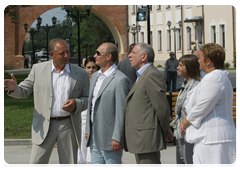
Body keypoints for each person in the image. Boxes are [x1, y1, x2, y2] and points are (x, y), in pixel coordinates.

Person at [4, 38, 89, 167]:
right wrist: (15, 89)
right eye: (62, 53)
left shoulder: (81, 73)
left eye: (67, 52)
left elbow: (88, 98)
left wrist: (76, 103)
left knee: (69, 165)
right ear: (51, 55)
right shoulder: (38, 69)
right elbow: (24, 91)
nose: (66, 56)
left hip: (68, 125)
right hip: (44, 125)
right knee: (35, 164)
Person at [180, 43, 238, 167]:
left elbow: (202, 106)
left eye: (200, 58)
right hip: (211, 138)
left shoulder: (214, 78)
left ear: (208, 61)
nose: (198, 61)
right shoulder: (215, 77)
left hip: (213, 139)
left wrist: (186, 121)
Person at [124, 43, 170, 167]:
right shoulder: (142, 74)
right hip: (142, 138)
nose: (129, 55)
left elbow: (161, 107)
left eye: (133, 52)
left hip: (147, 138)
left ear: (144, 56)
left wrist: (166, 130)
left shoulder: (151, 75)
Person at [85, 42, 131, 167]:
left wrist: (117, 137)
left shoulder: (120, 79)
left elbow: (121, 111)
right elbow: (91, 105)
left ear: (109, 56)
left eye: (98, 53)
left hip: (110, 137)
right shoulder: (95, 76)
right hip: (94, 134)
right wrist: (88, 130)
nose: (95, 56)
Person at [170, 54, 201, 167]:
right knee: (182, 163)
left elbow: (195, 111)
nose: (177, 67)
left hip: (189, 134)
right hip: (181, 134)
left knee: (189, 163)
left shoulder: (196, 86)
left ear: (189, 67)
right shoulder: (186, 84)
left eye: (181, 65)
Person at [78, 56, 99, 164]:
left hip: (94, 116)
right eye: (89, 67)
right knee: (82, 140)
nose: (91, 70)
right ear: (85, 68)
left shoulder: (99, 81)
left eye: (94, 67)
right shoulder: (81, 80)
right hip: (83, 115)